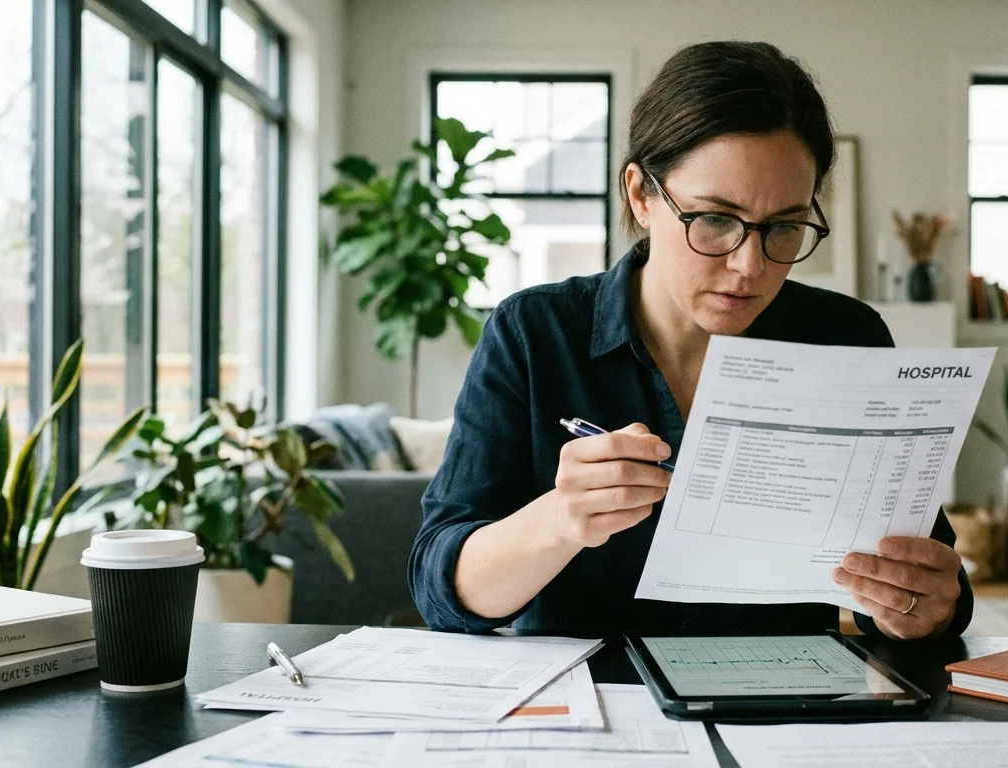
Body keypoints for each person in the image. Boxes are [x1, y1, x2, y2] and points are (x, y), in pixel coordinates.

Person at [410, 40, 972, 641]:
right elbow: (440, 591)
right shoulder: (533, 334)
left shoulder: (845, 338)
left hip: (781, 708)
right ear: (640, 195)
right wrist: (560, 520)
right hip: (588, 711)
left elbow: (921, 575)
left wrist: (924, 606)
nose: (750, 265)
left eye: (783, 227)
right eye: (714, 219)